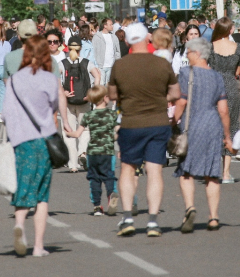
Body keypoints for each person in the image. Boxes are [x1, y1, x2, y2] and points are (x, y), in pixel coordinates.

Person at [2, 35, 72, 257]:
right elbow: (52, 104)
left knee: (23, 186)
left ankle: (20, 226)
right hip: (43, 140)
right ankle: (39, 246)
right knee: (42, 195)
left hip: (21, 141)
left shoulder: (14, 80)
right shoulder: (49, 79)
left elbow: (5, 114)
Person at [109, 22, 181, 238]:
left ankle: (128, 217)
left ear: (128, 40)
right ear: (146, 38)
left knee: (128, 169)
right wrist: (159, 98)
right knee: (154, 171)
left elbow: (112, 95)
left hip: (131, 123)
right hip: (158, 122)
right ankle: (152, 221)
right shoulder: (161, 63)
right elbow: (176, 93)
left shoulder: (120, 65)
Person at [171, 38, 230, 233]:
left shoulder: (186, 73)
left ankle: (190, 207)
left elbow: (181, 102)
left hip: (192, 124)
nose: (186, 56)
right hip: (213, 124)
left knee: (186, 170)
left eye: (188, 53)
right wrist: (227, 135)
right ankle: (213, 217)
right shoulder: (217, 77)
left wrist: (173, 121)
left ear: (197, 54)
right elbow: (223, 110)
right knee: (212, 172)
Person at [69, 85, 119, 215]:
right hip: (108, 151)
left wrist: (69, 132)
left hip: (92, 153)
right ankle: (111, 196)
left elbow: (77, 134)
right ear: (105, 98)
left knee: (94, 179)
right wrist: (112, 137)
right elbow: (119, 133)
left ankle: (97, 206)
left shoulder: (88, 116)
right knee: (109, 177)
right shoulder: (112, 115)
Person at [208, 17, 240, 183]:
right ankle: (226, 173)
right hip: (231, 86)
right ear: (229, 30)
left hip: (214, 86)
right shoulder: (238, 48)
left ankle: (213, 169)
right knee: (231, 126)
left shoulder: (211, 47)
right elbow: (237, 71)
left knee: (214, 126)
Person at [60, 36, 101, 171]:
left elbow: (53, 78)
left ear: (68, 47)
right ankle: (82, 152)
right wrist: (93, 92)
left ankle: (72, 165)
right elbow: (97, 75)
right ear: (80, 48)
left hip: (68, 101)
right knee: (86, 129)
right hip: (84, 100)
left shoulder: (63, 63)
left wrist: (63, 92)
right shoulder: (86, 63)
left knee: (69, 131)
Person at [91, 17, 120, 85]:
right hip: (100, 66)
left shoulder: (114, 37)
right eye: (110, 24)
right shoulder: (97, 37)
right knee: (101, 85)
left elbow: (117, 51)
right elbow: (93, 51)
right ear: (105, 26)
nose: (112, 26)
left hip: (111, 65)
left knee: (109, 86)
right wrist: (95, 65)